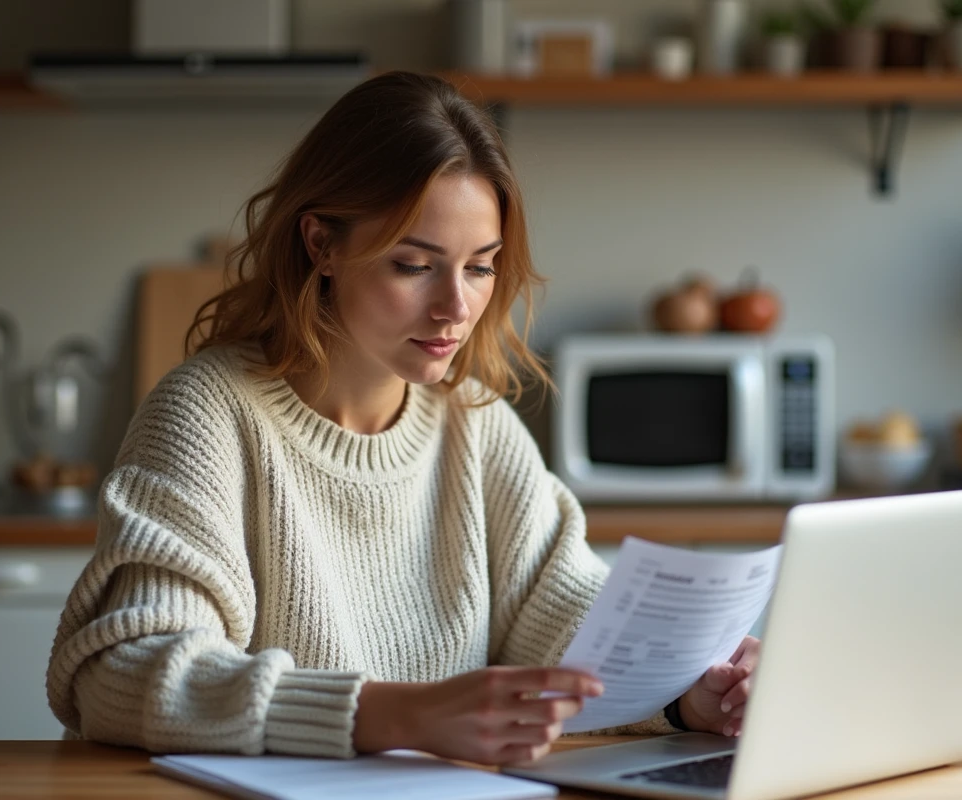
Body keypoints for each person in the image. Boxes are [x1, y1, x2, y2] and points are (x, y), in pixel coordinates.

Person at [45, 71, 760, 766]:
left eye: (480, 267)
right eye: (415, 266)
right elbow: (126, 671)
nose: (456, 306)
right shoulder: (207, 416)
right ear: (321, 244)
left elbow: (566, 616)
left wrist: (686, 690)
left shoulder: (474, 425)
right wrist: (396, 715)